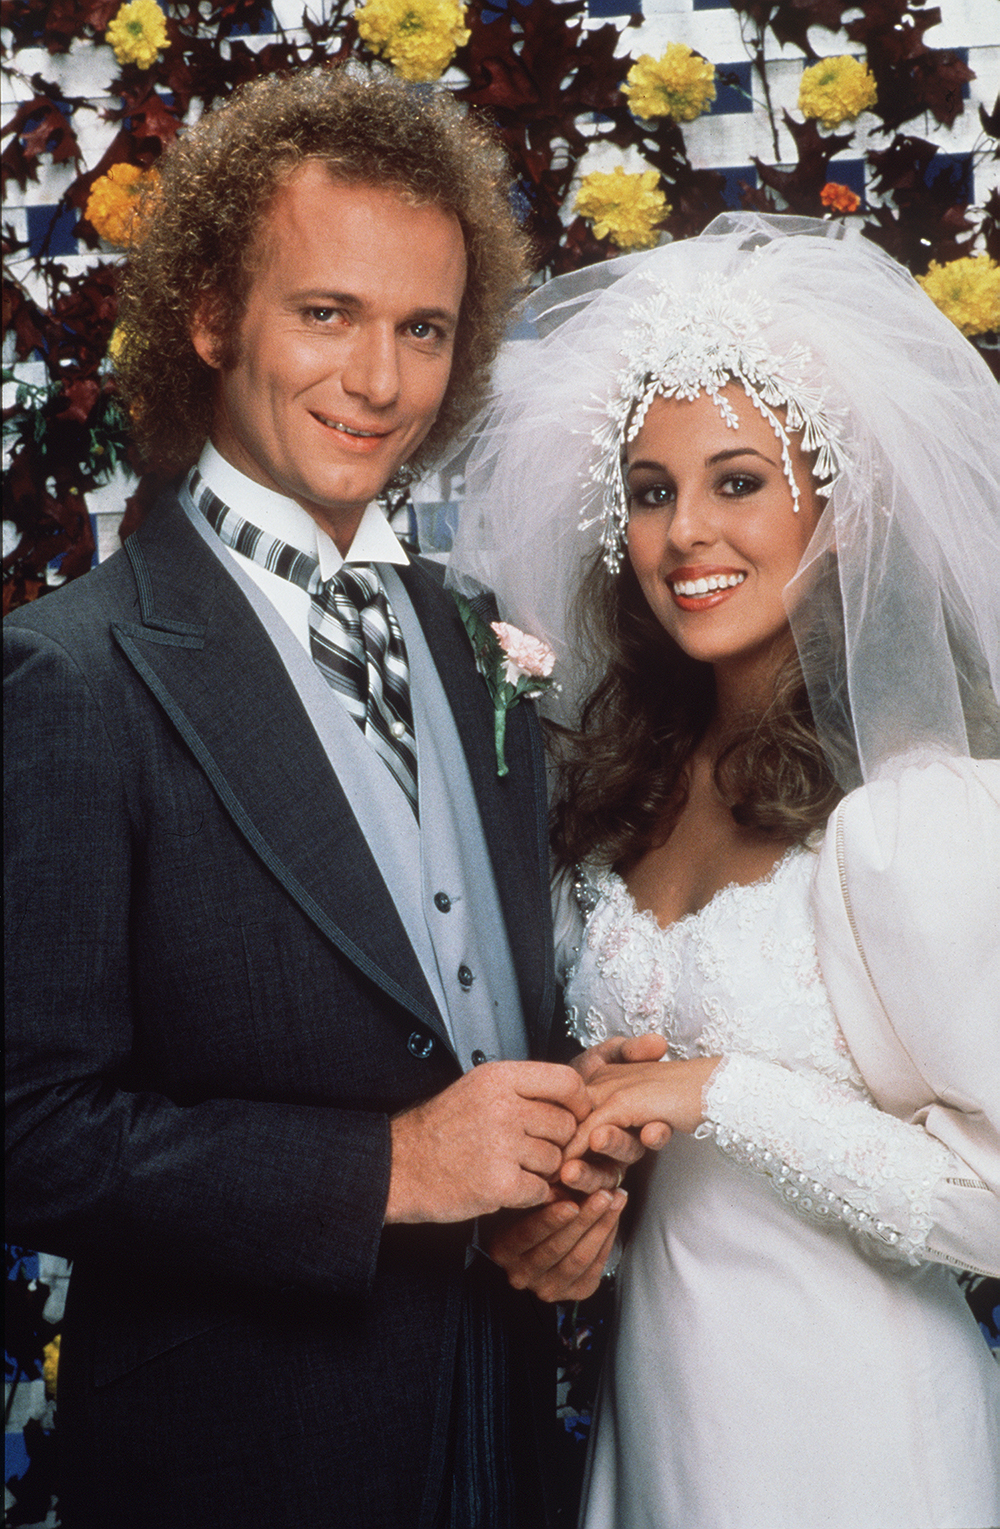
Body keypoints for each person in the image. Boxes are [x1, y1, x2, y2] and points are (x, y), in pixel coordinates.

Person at [4, 67, 638, 1529]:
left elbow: (475, 1003)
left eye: (421, 329)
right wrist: (394, 1167)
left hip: (506, 1430)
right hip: (242, 1459)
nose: (379, 381)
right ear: (215, 316)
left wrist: (571, 1173)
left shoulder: (482, 636)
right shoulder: (71, 673)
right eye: (327, 314)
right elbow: (29, 1131)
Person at [448, 213, 1000, 1528]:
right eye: (651, 490)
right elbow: (675, 1182)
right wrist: (586, 1223)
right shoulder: (620, 793)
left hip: (862, 1442)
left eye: (737, 480)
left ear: (837, 499)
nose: (686, 532)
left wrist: (720, 1089)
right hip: (662, 1426)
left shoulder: (914, 817)